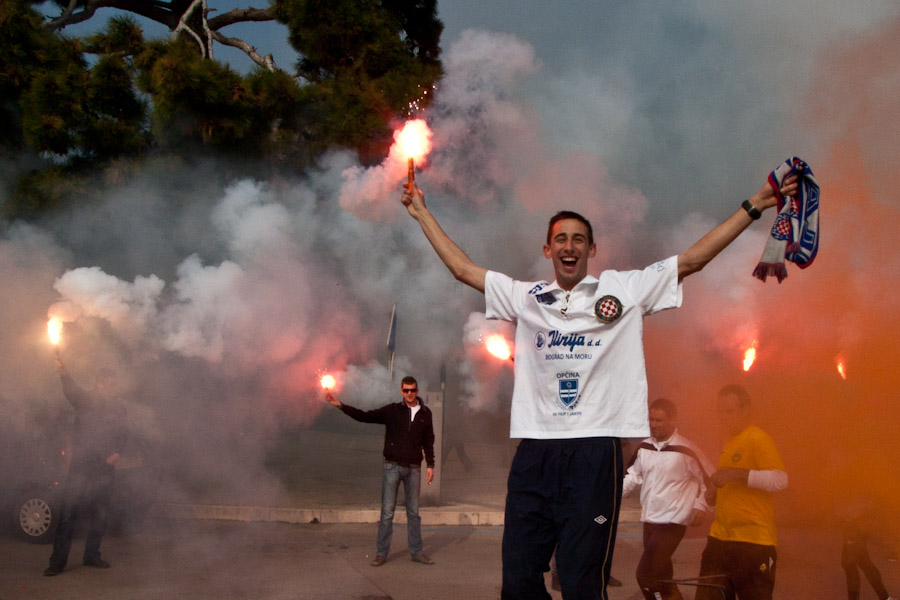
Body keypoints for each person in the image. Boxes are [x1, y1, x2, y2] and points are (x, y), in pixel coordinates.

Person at [400, 168, 799, 600]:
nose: (568, 245)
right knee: (517, 581)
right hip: (535, 452)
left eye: (578, 239)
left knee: (580, 582)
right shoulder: (525, 295)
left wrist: (754, 205)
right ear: (547, 248)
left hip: (594, 456)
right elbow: (461, 269)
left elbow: (692, 260)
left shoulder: (623, 289)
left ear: (591, 249)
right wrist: (421, 212)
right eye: (560, 238)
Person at [325, 376, 436, 566]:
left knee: (414, 513)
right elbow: (364, 416)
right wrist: (340, 405)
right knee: (387, 513)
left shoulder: (426, 413)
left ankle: (416, 552)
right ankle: (381, 553)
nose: (409, 393)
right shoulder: (392, 410)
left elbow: (428, 441)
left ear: (417, 391)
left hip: (414, 469)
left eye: (413, 390)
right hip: (392, 466)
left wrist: (431, 465)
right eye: (406, 390)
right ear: (401, 391)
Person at [695, 384, 788, 600]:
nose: (724, 417)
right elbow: (727, 479)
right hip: (720, 539)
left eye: (730, 412)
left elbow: (780, 480)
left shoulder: (758, 438)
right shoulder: (726, 439)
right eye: (720, 412)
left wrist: (737, 474)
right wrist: (714, 494)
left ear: (746, 410)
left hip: (754, 542)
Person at [623, 398, 714, 600]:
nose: (653, 424)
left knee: (646, 575)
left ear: (673, 420)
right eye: (651, 420)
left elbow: (709, 479)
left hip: (672, 523)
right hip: (649, 520)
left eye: (659, 420)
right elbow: (632, 475)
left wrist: (701, 505)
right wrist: (612, 496)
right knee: (663, 577)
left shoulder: (686, 449)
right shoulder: (644, 447)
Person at [44, 357, 127, 576]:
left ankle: (91, 556)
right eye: (108, 383)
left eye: (114, 383)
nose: (112, 387)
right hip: (82, 465)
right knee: (68, 513)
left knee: (100, 513)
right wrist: (64, 373)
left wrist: (116, 455)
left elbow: (123, 435)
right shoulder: (86, 400)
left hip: (105, 468)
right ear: (99, 383)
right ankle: (57, 563)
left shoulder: (119, 407)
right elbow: (71, 391)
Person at [837, 494, 897, 600]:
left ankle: (885, 598)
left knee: (850, 563)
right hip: (857, 515)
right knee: (862, 562)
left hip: (855, 517)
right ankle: (885, 598)